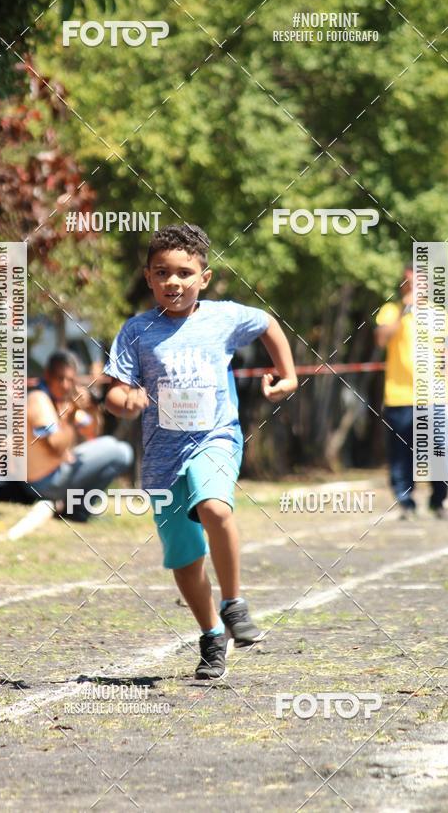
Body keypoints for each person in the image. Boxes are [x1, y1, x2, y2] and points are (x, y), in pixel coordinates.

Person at [104, 223, 298, 680]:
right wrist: (127, 402)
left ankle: (233, 604)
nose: (174, 282)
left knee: (215, 508)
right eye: (162, 273)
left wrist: (286, 375)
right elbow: (114, 393)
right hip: (161, 458)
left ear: (203, 279)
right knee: (186, 559)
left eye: (185, 273)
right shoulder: (136, 332)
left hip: (215, 438)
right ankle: (211, 635)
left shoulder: (223, 317)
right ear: (148, 278)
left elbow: (268, 323)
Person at [374, 263, 448, 519]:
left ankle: (438, 499)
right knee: (401, 455)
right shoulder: (391, 311)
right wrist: (404, 310)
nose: (412, 286)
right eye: (407, 282)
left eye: (417, 282)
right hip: (400, 396)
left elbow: (447, 353)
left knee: (439, 452)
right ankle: (406, 503)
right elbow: (381, 339)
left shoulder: (438, 314)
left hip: (435, 395)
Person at [27, 350, 134, 521]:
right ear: (47, 375)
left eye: (70, 380)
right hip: (44, 482)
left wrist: (90, 407)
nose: (65, 385)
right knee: (122, 452)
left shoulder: (60, 401)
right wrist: (72, 414)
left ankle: (76, 509)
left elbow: (92, 431)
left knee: (115, 446)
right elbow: (56, 446)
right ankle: (78, 511)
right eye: (60, 378)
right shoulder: (38, 399)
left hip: (57, 473)